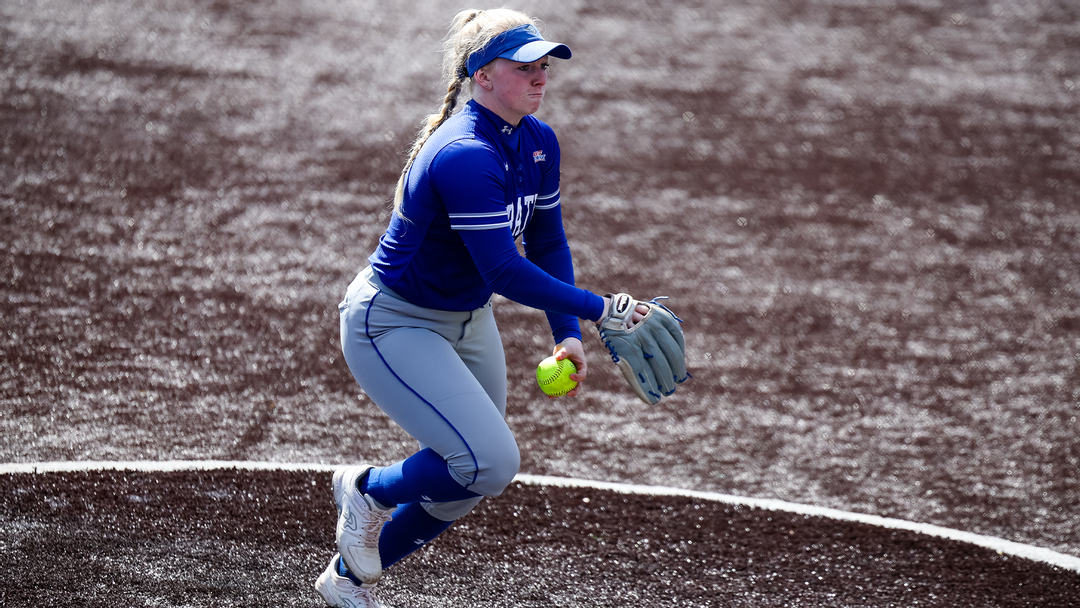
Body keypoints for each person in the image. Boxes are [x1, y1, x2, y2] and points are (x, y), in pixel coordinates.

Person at [314, 8, 648, 607]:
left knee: (468, 478)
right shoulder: (465, 153)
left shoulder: (538, 141)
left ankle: (347, 580)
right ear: (482, 75)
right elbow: (502, 268)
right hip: (393, 321)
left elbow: (547, 243)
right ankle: (367, 489)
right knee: (489, 461)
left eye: (543, 64)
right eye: (524, 66)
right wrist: (603, 308)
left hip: (467, 320)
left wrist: (568, 331)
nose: (540, 76)